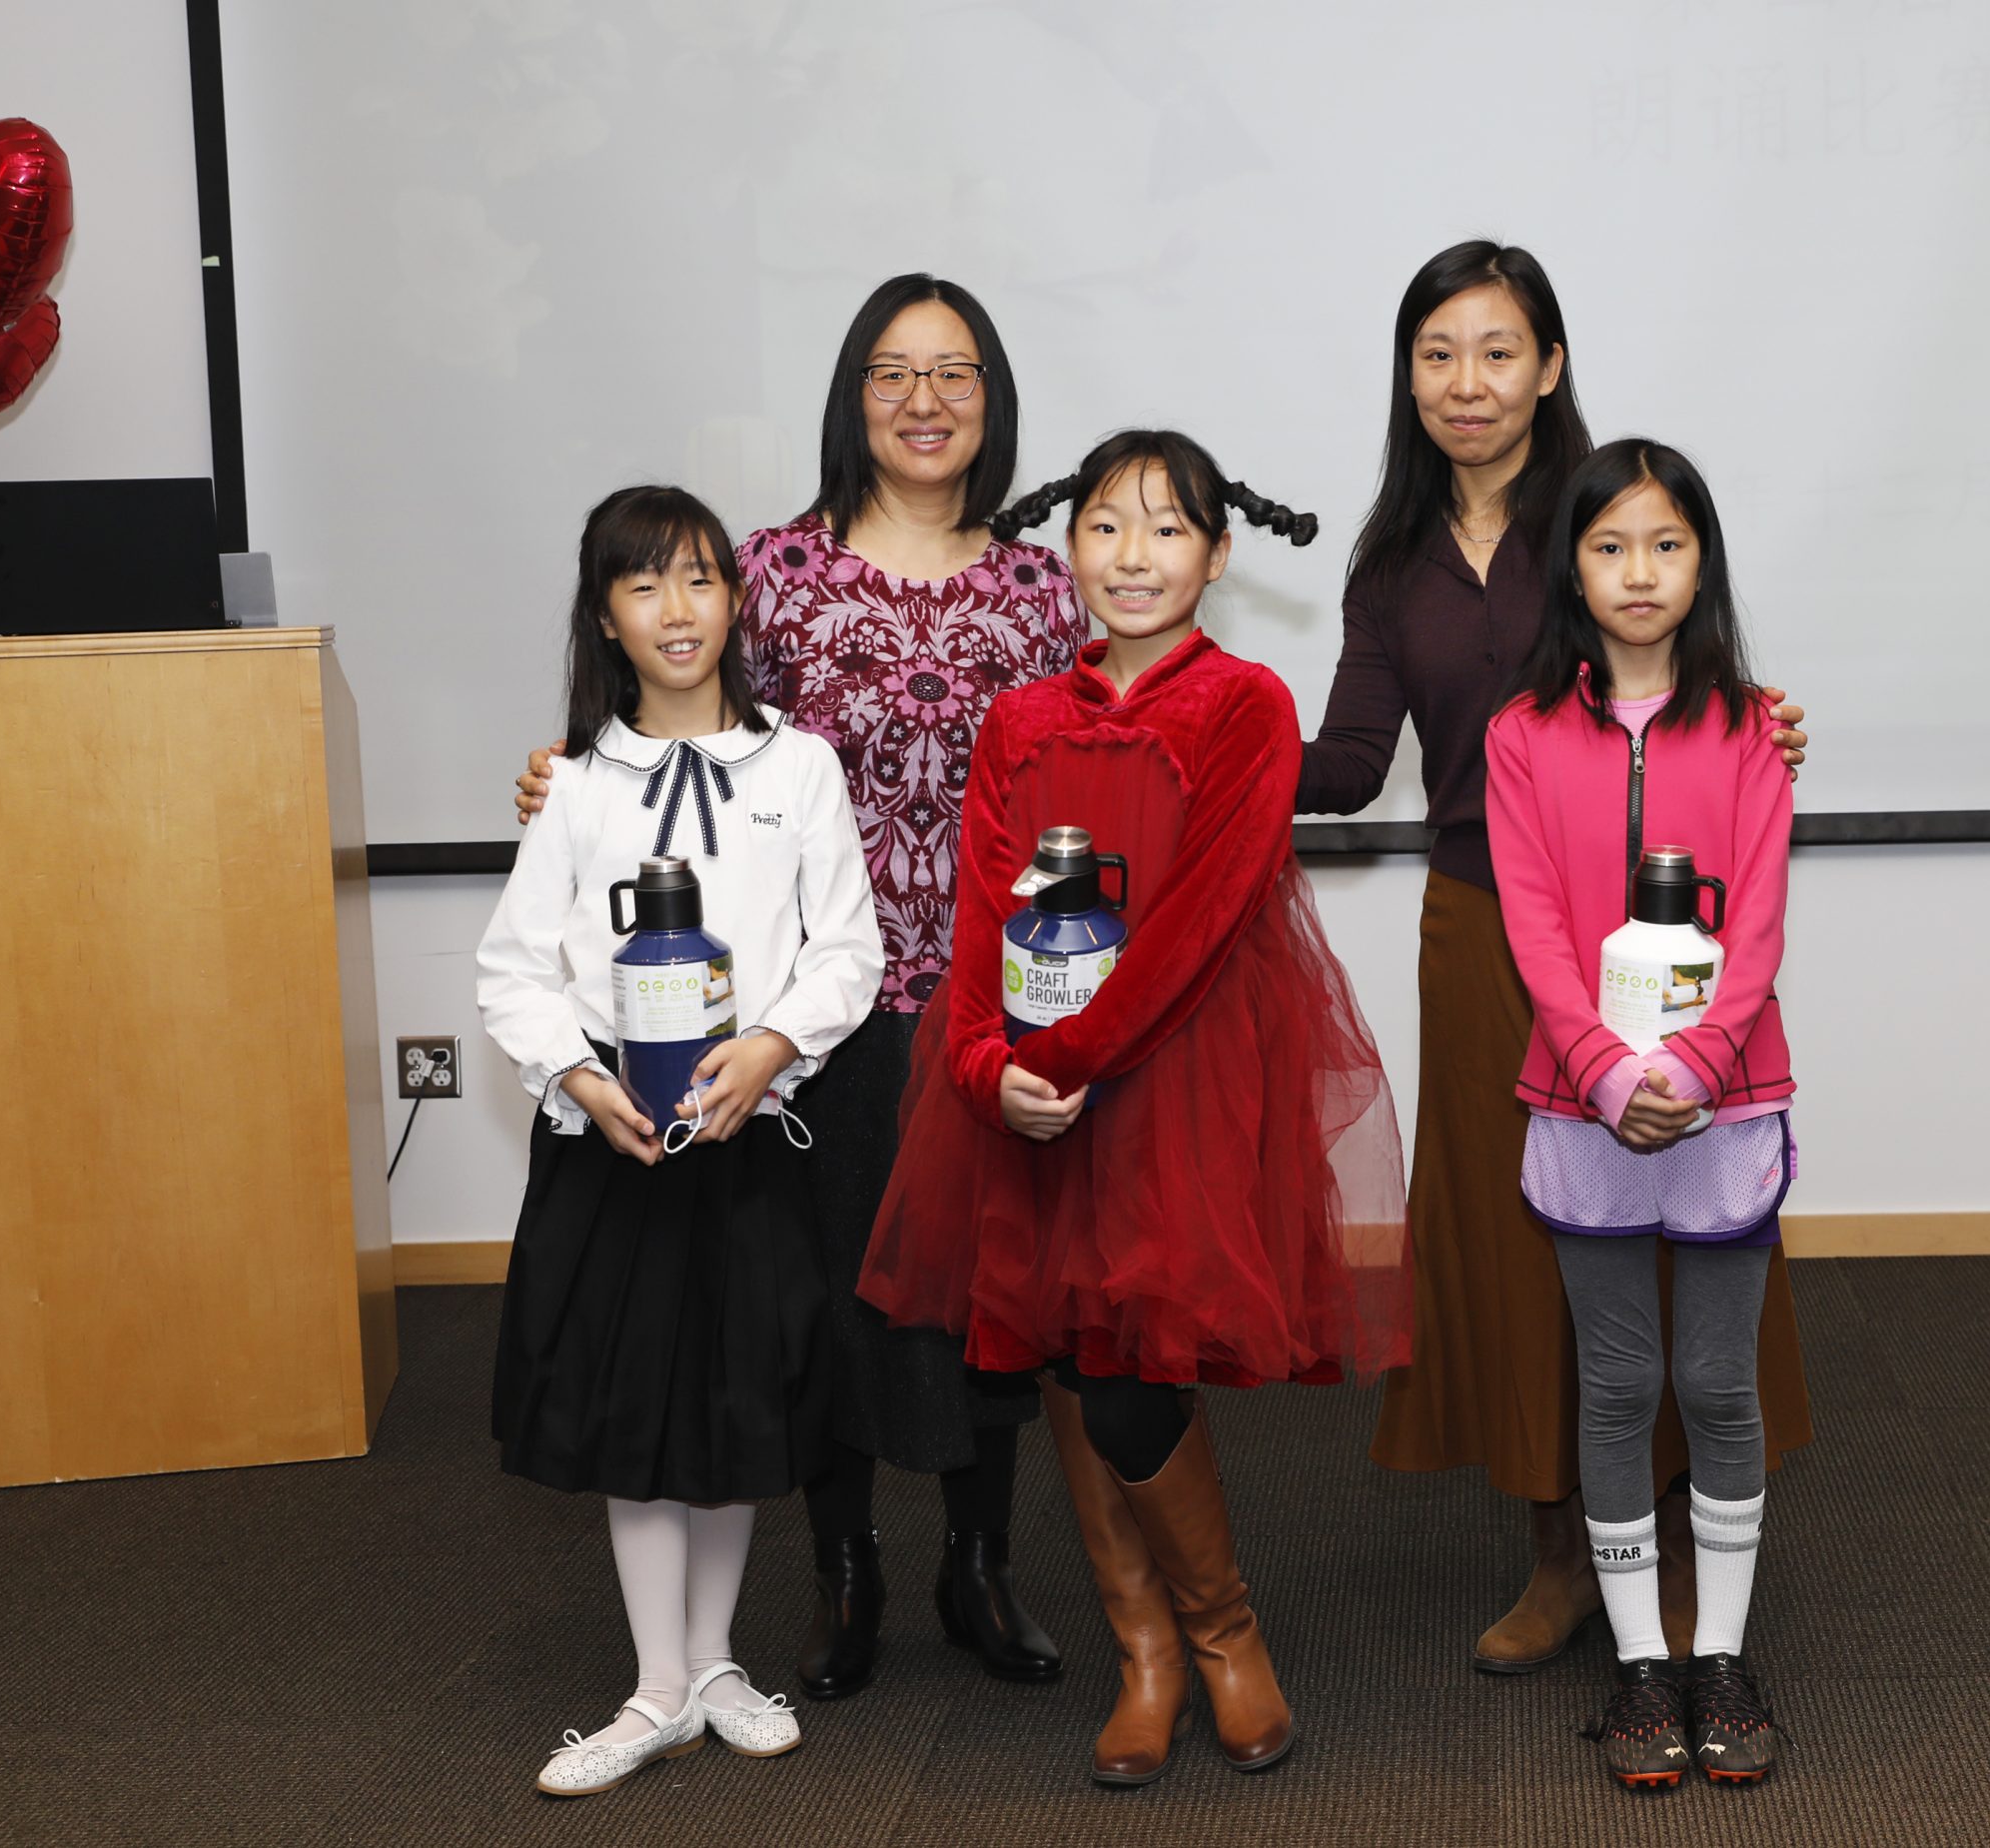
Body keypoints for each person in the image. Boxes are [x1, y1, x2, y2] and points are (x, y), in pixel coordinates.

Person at [514, 276, 1085, 1699]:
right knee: (829, 1294)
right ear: (852, 396)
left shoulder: (1041, 587)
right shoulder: (770, 569)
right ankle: (844, 1570)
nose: (924, 401)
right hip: (811, 1017)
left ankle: (979, 1563)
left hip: (991, 996)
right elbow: (680, 720)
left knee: (981, 1290)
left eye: (955, 373)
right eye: (892, 372)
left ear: (993, 399)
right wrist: (562, 780)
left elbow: (1082, 776)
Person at [860, 432, 1409, 1787]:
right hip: (1036, 1095)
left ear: (1217, 557)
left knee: (1128, 1373)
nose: (1134, 555)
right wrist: (983, 1064)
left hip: (1174, 1082)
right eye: (1106, 526)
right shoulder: (1020, 719)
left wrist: (1068, 1059)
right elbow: (980, 910)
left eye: (1168, 529)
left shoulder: (1245, 705)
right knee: (1068, 1345)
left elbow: (1196, 926)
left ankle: (1225, 1637)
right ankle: (1144, 1652)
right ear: (1069, 550)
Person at [1298, 240, 1817, 1673]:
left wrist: (1758, 723)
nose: (1467, 382)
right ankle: (1562, 1552)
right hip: (1486, 931)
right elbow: (1350, 763)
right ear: (1408, 375)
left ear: (1551, 366)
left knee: (1689, 1219)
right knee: (1525, 1238)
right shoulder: (1390, 562)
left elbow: (1690, 681)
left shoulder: (1604, 516)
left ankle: (1687, 1527)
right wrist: (1207, 742)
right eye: (1437, 354)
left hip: (1659, 934)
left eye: (1498, 350)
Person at [478, 485, 882, 1795]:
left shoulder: (800, 768)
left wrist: (771, 1048)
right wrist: (580, 1077)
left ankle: (714, 1665)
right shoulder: (574, 784)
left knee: (733, 1403)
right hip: (619, 1152)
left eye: (701, 578)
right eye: (644, 583)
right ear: (605, 614)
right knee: (636, 1412)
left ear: (736, 598)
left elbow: (847, 950)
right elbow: (513, 968)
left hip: (748, 1141)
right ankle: (655, 1685)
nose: (677, 608)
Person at [1486, 438, 1793, 1788]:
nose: (1640, 571)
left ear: (1703, 562)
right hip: (1583, 1103)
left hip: (1729, 1100)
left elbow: (1759, 922)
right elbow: (1535, 927)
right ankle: (1638, 1667)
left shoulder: (1754, 727)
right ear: (1572, 570)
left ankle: (1718, 1654)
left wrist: (1701, 1068)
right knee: (1616, 1386)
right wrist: (1610, 1076)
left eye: (1667, 544)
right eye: (1610, 546)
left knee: (1718, 1385)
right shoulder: (1520, 733)